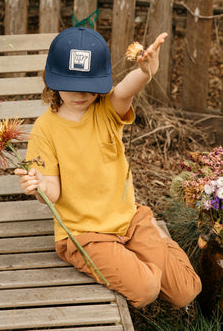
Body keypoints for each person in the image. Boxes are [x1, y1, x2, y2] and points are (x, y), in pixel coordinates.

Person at [15, 27, 201, 308]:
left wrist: (146, 72)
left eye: (90, 86)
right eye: (71, 84)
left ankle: (148, 243)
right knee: (147, 288)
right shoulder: (45, 130)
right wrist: (39, 187)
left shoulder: (106, 109)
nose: (81, 94)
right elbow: (51, 191)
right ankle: (132, 260)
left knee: (187, 290)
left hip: (128, 219)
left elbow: (126, 89)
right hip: (85, 234)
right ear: (52, 80)